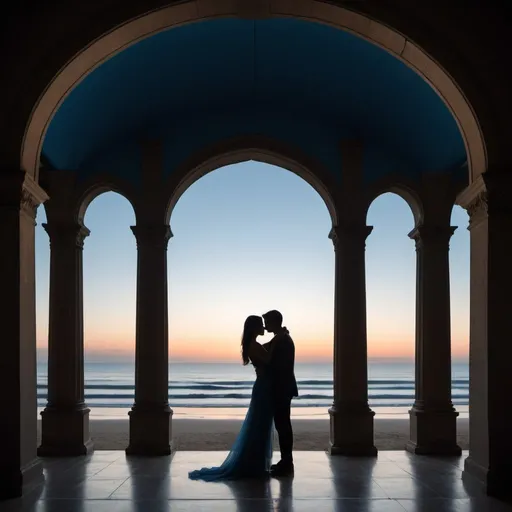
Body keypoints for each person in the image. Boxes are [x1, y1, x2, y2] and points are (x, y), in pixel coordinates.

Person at [188, 315, 277, 480]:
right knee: (259, 426)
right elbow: (270, 359)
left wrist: (272, 343)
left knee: (259, 426)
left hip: (263, 387)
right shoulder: (254, 345)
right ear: (254, 327)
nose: (264, 328)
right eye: (261, 325)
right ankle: (253, 465)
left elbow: (265, 353)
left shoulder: (253, 345)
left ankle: (255, 463)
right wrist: (278, 341)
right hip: (263, 388)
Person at [261, 310, 298, 477]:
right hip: (283, 387)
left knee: (283, 425)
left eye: (266, 322)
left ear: (275, 321)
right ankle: (285, 461)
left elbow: (273, 362)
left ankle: (287, 462)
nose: (264, 325)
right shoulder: (281, 337)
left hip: (281, 388)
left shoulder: (282, 339)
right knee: (282, 425)